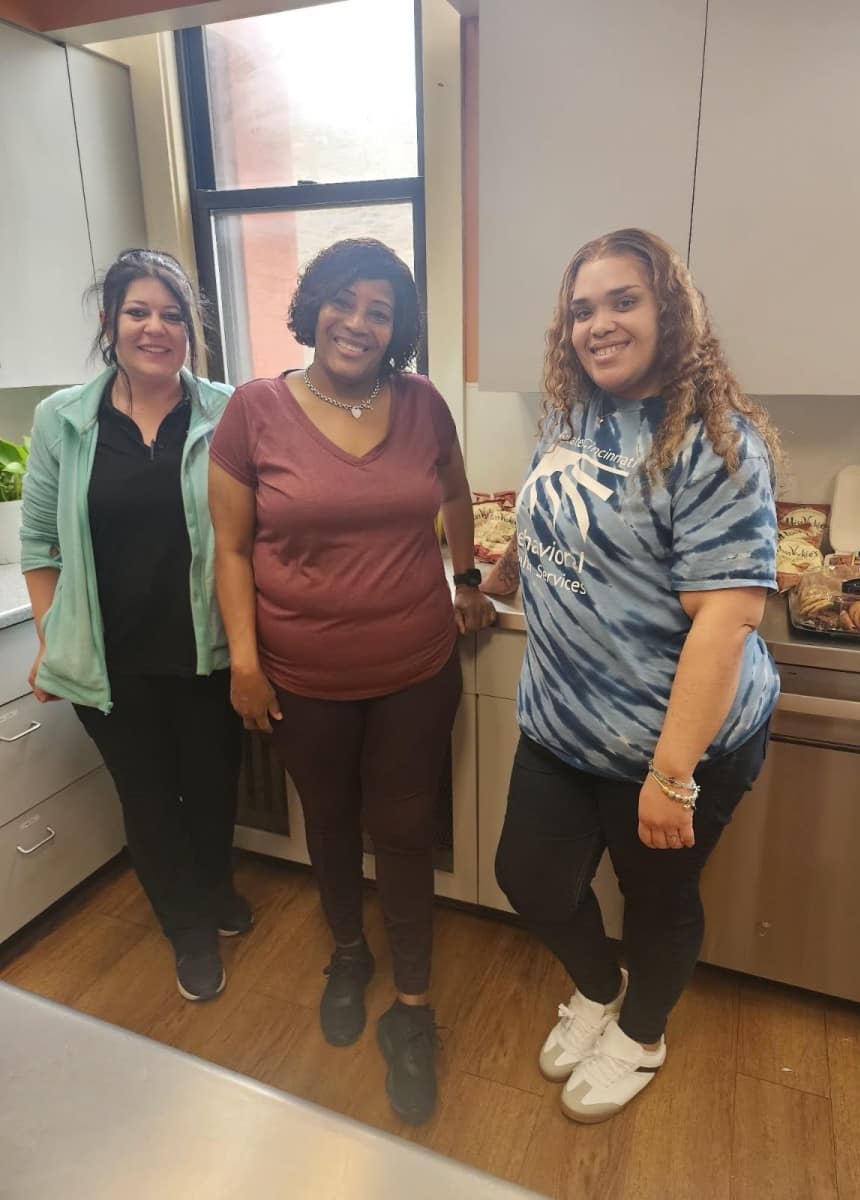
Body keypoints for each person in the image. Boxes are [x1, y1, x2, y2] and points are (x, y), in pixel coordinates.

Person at [493, 228, 781, 1123]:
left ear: (671, 312)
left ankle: (641, 1034)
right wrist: (501, 572)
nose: (599, 324)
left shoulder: (713, 444)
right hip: (562, 722)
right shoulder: (571, 412)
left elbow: (728, 620)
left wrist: (672, 774)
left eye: (625, 301)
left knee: (657, 902)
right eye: (583, 309)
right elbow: (554, 513)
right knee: (529, 877)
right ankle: (598, 986)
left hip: (672, 739)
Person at [208, 237, 495, 1124]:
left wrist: (467, 578)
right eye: (343, 300)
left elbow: (455, 493)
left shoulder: (422, 403)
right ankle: (346, 953)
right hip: (302, 674)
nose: (358, 323)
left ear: (396, 329)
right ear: (314, 307)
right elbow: (229, 549)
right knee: (329, 823)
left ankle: (412, 1008)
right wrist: (245, 662)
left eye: (380, 311)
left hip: (415, 668)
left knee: (403, 831)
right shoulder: (254, 411)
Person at [20, 249, 247, 1004]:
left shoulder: (228, 412)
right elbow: (40, 544)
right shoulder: (63, 419)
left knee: (212, 792)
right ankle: (188, 928)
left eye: (172, 315)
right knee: (149, 801)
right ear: (109, 322)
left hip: (208, 651)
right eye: (138, 312)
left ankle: (212, 889)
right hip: (111, 661)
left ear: (190, 331)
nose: (156, 328)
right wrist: (53, 638)